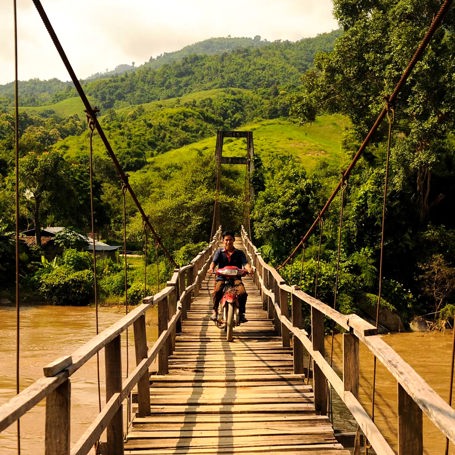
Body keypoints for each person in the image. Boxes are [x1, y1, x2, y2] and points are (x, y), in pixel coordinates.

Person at [208, 230, 253, 323]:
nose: (228, 242)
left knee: (242, 293)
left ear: (234, 240)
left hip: (236, 278)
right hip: (222, 277)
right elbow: (214, 262)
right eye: (226, 240)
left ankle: (241, 313)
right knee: (217, 291)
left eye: (230, 240)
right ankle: (215, 311)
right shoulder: (219, 252)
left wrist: (249, 269)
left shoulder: (240, 253)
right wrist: (211, 268)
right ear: (223, 241)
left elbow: (245, 263)